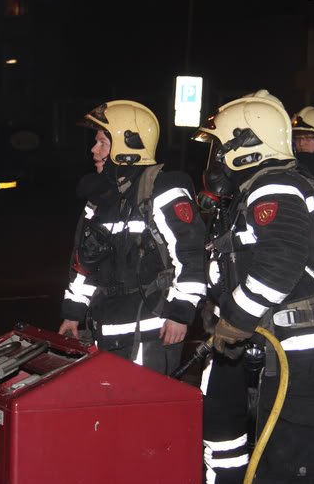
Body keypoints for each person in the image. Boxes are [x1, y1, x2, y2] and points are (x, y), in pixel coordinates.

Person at [195, 90, 314, 483]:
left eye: (219, 147)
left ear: (247, 145)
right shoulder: (262, 188)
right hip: (288, 349)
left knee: (295, 469)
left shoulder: (277, 187)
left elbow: (280, 262)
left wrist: (234, 320)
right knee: (273, 463)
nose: (215, 159)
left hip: (311, 353)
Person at [58, 100, 206, 375]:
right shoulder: (100, 199)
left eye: (103, 142)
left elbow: (192, 254)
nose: (94, 150)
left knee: (144, 414)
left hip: (151, 333)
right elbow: (84, 262)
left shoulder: (161, 190)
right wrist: (73, 312)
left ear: (129, 144)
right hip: (106, 329)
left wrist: (181, 313)